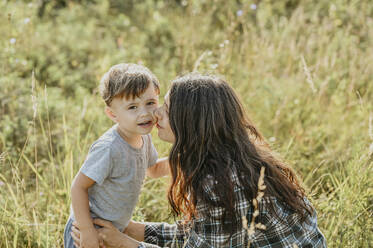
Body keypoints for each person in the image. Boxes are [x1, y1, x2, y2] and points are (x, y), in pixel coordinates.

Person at [71, 73, 326, 247]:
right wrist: (136, 230)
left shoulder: (220, 183)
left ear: (190, 125)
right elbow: (204, 235)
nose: (155, 112)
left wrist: (125, 243)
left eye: (167, 109)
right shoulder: (227, 158)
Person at [64, 63, 170, 248]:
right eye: (132, 107)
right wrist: (88, 232)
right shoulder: (110, 148)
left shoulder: (144, 139)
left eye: (150, 103)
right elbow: (78, 187)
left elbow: (153, 170)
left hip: (114, 230)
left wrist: (186, 160)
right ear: (113, 115)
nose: (144, 113)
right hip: (90, 228)